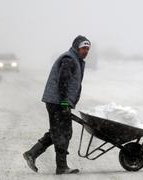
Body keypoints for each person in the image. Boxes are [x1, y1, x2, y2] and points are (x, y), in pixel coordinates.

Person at [23, 35, 91, 174]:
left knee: (58, 132)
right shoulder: (69, 59)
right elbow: (63, 81)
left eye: (88, 49)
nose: (86, 51)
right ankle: (60, 166)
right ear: (77, 47)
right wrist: (65, 101)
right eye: (84, 48)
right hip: (58, 102)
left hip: (58, 101)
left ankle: (33, 153)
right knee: (63, 132)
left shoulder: (75, 59)